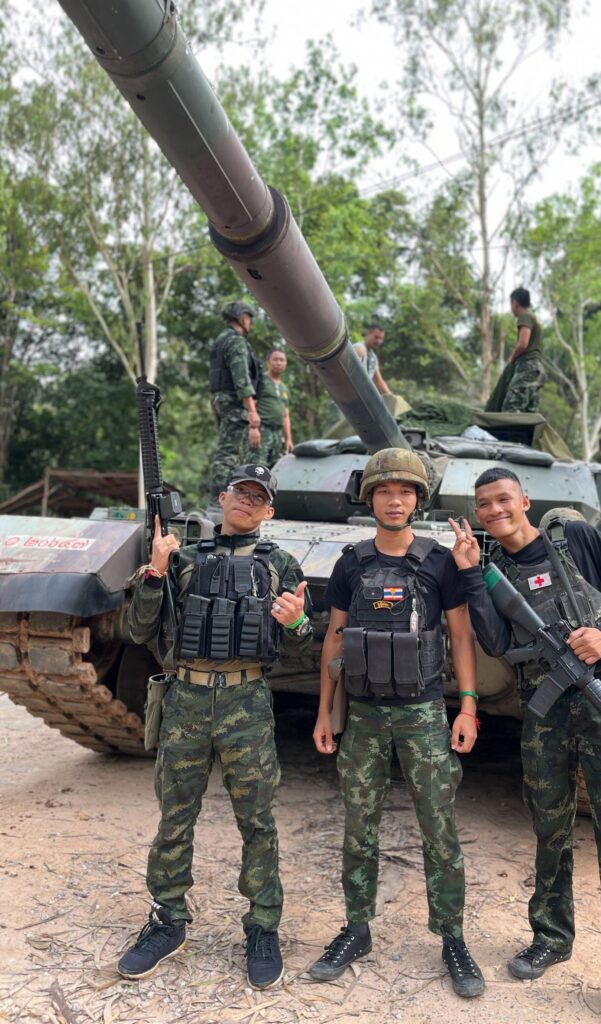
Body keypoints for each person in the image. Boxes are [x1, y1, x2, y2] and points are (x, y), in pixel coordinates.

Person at [450, 469, 601, 1024]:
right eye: (484, 504)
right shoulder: (494, 570)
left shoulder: (573, 538)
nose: (495, 510)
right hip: (547, 713)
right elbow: (496, 640)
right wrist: (470, 573)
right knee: (550, 829)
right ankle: (551, 937)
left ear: (524, 500)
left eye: (503, 499)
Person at [118, 464, 313, 989]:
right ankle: (167, 921)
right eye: (240, 492)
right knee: (175, 816)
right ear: (223, 498)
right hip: (186, 699)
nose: (247, 501)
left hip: (247, 703)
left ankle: (263, 925)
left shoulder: (282, 564)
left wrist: (297, 621)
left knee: (257, 820)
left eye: (258, 497)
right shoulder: (181, 558)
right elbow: (137, 629)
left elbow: (303, 644)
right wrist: (155, 570)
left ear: (269, 510)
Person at [310, 448, 485, 999]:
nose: (395, 500)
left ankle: (452, 937)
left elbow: (460, 636)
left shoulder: (439, 562)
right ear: (370, 499)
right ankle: (356, 929)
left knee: (439, 826)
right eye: (385, 491)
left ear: (417, 500)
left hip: (423, 713)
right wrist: (325, 711)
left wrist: (468, 706)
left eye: (405, 491)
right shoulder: (351, 564)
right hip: (363, 715)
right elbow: (334, 639)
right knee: (358, 826)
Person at [209, 301, 264, 504]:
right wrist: (252, 410)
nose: (250, 322)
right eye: (248, 317)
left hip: (221, 400)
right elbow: (241, 378)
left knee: (229, 450)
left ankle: (224, 499)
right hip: (233, 402)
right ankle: (218, 501)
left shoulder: (221, 340)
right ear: (241, 317)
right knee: (229, 453)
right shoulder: (236, 341)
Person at [485, 288, 545, 413]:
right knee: (529, 412)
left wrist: (511, 359)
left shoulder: (525, 316)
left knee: (511, 408)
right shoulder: (536, 319)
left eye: (511, 304)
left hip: (527, 367)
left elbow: (522, 344)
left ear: (515, 303)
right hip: (537, 369)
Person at [248, 348, 293, 468]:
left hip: (278, 434)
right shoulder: (260, 381)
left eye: (282, 360)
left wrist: (288, 439)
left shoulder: (284, 388)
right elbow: (250, 406)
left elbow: (286, 416)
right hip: (262, 430)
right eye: (275, 359)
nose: (279, 363)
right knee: (257, 468)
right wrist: (253, 428)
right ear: (268, 362)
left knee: (275, 469)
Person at [353, 320, 391, 396]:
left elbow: (379, 382)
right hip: (350, 395)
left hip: (361, 396)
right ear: (368, 334)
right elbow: (352, 374)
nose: (378, 341)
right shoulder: (360, 349)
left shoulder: (373, 358)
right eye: (376, 337)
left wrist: (392, 397)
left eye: (381, 339)